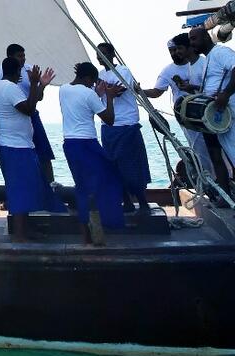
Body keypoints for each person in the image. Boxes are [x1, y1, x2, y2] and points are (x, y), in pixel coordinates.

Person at [60, 62, 127, 243]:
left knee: (83, 188)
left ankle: (87, 237)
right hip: (87, 144)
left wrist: (97, 95)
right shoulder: (89, 94)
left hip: (70, 144)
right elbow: (109, 120)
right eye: (92, 82)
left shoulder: (64, 90)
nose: (93, 86)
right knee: (108, 179)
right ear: (88, 78)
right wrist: (109, 97)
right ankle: (106, 223)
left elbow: (82, 104)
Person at [0, 57, 55, 243]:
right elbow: (29, 108)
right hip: (14, 148)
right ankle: (20, 235)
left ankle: (25, 231)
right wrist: (35, 82)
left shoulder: (4, 86)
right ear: (18, 72)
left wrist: (40, 85)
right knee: (20, 189)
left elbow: (30, 101)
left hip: (19, 146)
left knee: (26, 188)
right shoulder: (9, 88)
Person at [0, 44, 61, 209]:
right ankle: (20, 200)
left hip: (31, 115)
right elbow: (3, 97)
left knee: (43, 153)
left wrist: (40, 84)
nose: (23, 59)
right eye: (19, 56)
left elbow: (38, 98)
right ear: (10, 58)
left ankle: (49, 188)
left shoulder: (30, 69)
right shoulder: (2, 72)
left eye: (24, 55)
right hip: (18, 117)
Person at [141, 34, 213, 177]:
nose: (175, 53)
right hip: (186, 116)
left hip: (208, 112)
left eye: (177, 49)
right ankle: (209, 179)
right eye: (172, 51)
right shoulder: (168, 71)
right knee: (198, 148)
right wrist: (139, 90)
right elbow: (156, 92)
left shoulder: (202, 63)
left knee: (216, 148)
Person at [97, 42, 153, 213]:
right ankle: (126, 202)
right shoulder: (99, 74)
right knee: (113, 165)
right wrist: (104, 87)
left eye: (103, 53)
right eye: (98, 54)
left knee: (132, 165)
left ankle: (143, 202)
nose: (100, 57)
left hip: (127, 124)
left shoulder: (123, 71)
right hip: (109, 125)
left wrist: (102, 86)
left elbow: (118, 91)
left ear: (112, 54)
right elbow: (101, 92)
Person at [190, 26, 235, 199]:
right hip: (215, 117)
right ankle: (226, 198)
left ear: (206, 38)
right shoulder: (208, 58)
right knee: (217, 155)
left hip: (227, 114)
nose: (192, 43)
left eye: (194, 38)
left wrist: (225, 94)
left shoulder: (220, 52)